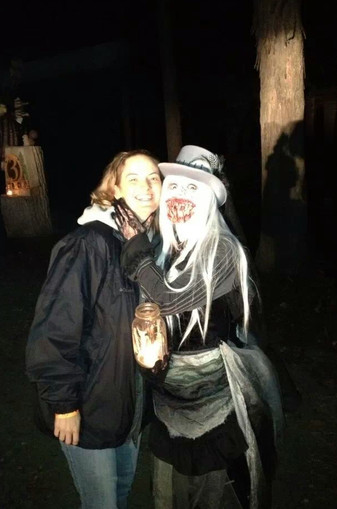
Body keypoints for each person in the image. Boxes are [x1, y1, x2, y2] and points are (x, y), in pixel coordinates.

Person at [114, 145, 284, 509]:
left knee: (212, 493)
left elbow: (170, 301)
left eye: (194, 187)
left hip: (214, 409)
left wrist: (135, 250)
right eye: (175, 185)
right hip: (169, 405)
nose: (181, 194)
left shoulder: (224, 250)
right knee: (172, 493)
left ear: (208, 199)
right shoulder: (163, 247)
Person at [25, 149, 162, 509]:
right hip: (88, 409)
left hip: (129, 408)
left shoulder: (146, 246)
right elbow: (54, 332)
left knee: (120, 496)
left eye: (154, 178)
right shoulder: (89, 244)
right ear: (114, 189)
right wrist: (64, 406)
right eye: (134, 179)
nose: (147, 187)